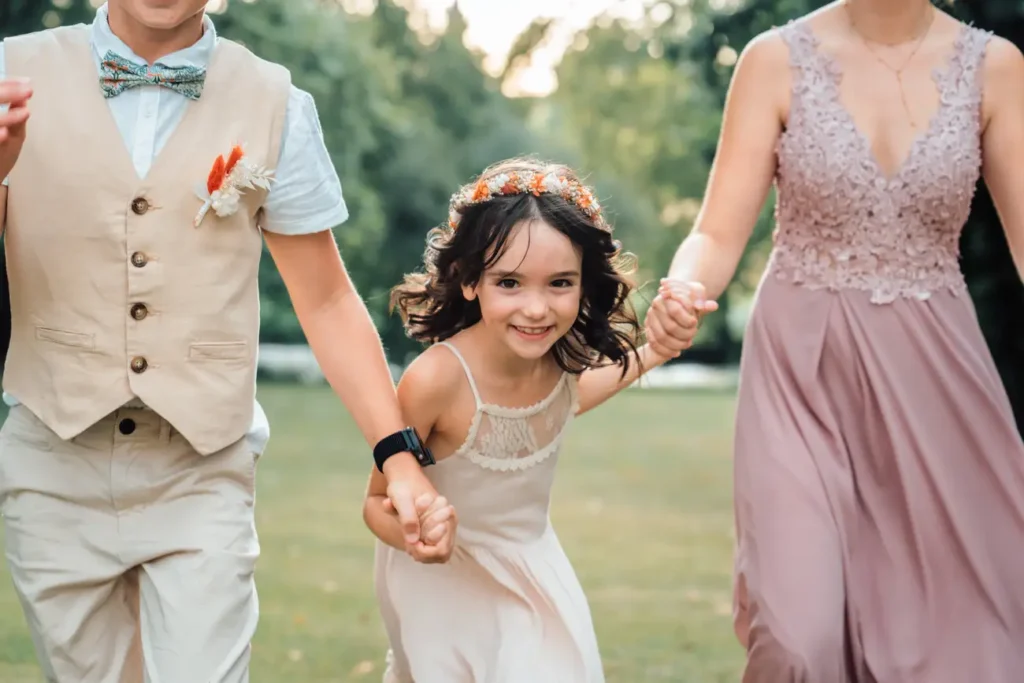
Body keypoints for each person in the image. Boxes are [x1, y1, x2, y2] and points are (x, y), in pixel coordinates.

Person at [0, 2, 449, 681]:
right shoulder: (11, 72)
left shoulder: (275, 101)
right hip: (53, 466)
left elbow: (326, 299)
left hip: (200, 467)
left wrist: (400, 459)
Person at [651, 0, 1024, 680]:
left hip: (938, 384)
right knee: (797, 638)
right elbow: (715, 230)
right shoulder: (773, 59)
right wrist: (681, 286)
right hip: (802, 370)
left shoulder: (996, 68)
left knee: (964, 644)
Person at [361, 158, 709, 683]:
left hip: (534, 570)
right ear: (470, 281)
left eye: (559, 283)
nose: (536, 308)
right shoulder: (437, 379)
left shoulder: (560, 363)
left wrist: (655, 349)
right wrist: (417, 535)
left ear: (583, 284)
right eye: (510, 283)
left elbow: (571, 398)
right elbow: (374, 502)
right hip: (444, 584)